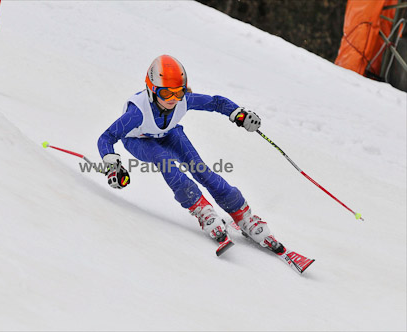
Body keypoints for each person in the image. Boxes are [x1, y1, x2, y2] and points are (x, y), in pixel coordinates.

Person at [97, 55, 285, 256]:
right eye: (166, 93)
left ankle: (243, 215)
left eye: (178, 92)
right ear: (152, 90)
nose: (172, 100)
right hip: (138, 140)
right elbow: (106, 138)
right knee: (165, 160)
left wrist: (239, 114)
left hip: (169, 133)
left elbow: (216, 103)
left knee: (200, 168)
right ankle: (202, 209)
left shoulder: (182, 101)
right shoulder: (137, 113)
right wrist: (113, 166)